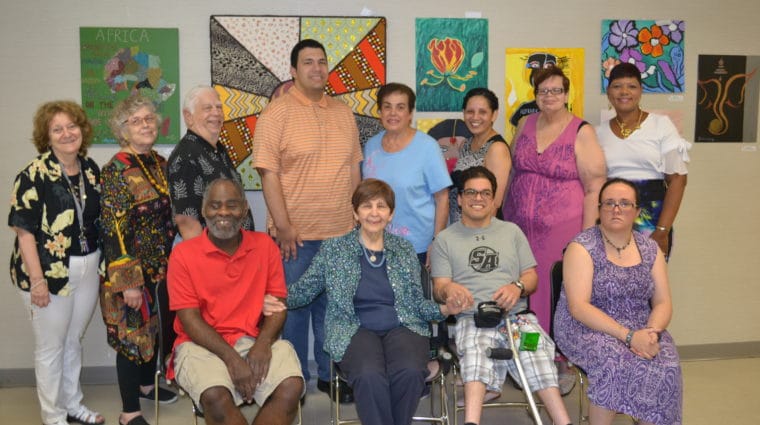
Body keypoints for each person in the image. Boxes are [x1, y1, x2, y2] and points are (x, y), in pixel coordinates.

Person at [266, 178, 462, 425]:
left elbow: (417, 304)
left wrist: (444, 308)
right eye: (367, 206)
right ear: (355, 213)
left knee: (411, 371)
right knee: (369, 375)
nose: (374, 213)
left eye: (381, 206)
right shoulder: (335, 250)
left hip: (403, 326)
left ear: (391, 214)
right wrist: (271, 300)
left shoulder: (404, 249)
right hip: (352, 329)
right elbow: (303, 291)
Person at [252, 38, 362, 402]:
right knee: (294, 311)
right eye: (308, 62)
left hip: (340, 234)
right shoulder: (276, 114)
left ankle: (330, 376)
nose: (317, 68)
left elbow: (353, 169)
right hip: (294, 237)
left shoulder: (343, 112)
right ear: (294, 71)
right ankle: (294, 380)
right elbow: (268, 173)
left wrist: (358, 220)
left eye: (321, 62)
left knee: (333, 309)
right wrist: (283, 227)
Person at [431, 166, 573, 425]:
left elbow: (532, 278)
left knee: (536, 353)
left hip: (517, 320)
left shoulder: (512, 232)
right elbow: (440, 287)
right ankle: (471, 422)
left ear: (494, 200)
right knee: (476, 355)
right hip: (472, 317)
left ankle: (563, 422)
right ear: (460, 198)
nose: (478, 198)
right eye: (471, 192)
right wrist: (449, 290)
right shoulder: (445, 239)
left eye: (486, 193)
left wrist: (517, 286)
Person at [167, 178, 304, 425]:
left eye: (232, 205)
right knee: (216, 397)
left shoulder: (265, 246)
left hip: (253, 340)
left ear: (244, 209)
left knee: (291, 386)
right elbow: (189, 320)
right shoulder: (183, 255)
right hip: (200, 346)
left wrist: (262, 344)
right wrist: (232, 359)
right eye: (215, 205)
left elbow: (277, 306)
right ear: (203, 210)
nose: (223, 212)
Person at [553, 178, 682, 424]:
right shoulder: (581, 247)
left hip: (641, 325)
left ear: (636, 211)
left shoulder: (650, 248)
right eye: (609, 203)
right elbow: (578, 307)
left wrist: (651, 332)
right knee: (613, 361)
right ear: (599, 209)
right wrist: (630, 336)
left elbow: (664, 302)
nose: (616, 209)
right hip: (585, 327)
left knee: (667, 364)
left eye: (624, 203)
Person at [8, 100, 104, 425]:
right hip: (48, 273)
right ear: (46, 137)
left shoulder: (90, 170)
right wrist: (37, 280)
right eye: (57, 129)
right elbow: (23, 233)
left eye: (72, 126)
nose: (67, 133)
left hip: (87, 266)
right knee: (51, 347)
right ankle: (53, 417)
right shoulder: (33, 174)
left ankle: (72, 404)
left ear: (82, 129)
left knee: (73, 340)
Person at [502, 66, 607, 341]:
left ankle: (555, 355)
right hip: (519, 228)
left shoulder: (581, 131)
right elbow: (512, 170)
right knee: (519, 288)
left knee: (550, 292)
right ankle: (525, 353)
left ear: (566, 94)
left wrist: (585, 238)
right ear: (535, 95)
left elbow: (594, 186)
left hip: (562, 232)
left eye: (556, 90)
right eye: (543, 90)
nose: (549, 96)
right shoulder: (525, 124)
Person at [100, 95, 178, 425]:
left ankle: (148, 386)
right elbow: (114, 228)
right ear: (123, 129)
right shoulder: (116, 169)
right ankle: (129, 410)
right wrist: (129, 283)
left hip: (160, 268)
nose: (146, 124)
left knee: (154, 331)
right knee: (132, 337)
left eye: (149, 119)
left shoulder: (159, 163)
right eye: (137, 120)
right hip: (130, 272)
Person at [597, 62, 691, 257]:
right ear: (608, 92)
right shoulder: (597, 132)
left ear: (640, 91)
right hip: (610, 218)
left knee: (650, 283)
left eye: (631, 86)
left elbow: (678, 180)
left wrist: (663, 230)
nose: (624, 92)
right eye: (617, 86)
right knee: (610, 282)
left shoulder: (661, 125)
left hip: (653, 220)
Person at [362, 82, 452, 265]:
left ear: (410, 113)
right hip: (375, 243)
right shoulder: (371, 146)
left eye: (400, 107)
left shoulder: (427, 147)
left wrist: (437, 242)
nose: (393, 113)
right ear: (380, 112)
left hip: (415, 247)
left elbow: (442, 198)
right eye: (387, 107)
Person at [167, 85, 254, 241]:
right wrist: (206, 263)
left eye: (219, 107)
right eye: (207, 108)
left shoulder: (216, 149)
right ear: (188, 116)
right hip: (213, 256)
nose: (216, 113)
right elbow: (187, 222)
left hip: (232, 250)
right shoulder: (186, 156)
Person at [449, 87, 511, 222]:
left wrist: (476, 236)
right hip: (459, 227)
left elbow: (494, 204)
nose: (475, 117)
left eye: (482, 112)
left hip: (479, 231)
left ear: (494, 115)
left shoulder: (496, 149)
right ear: (463, 113)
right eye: (470, 112)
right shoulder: (467, 143)